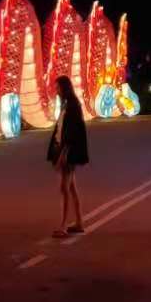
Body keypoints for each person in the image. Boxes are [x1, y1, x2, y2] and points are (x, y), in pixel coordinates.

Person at [49, 76, 89, 236]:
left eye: (57, 88)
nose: (56, 91)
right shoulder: (66, 104)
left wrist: (64, 153)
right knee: (71, 188)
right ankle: (79, 222)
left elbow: (73, 133)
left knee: (64, 188)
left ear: (64, 88)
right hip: (62, 149)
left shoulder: (72, 105)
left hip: (68, 152)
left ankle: (63, 226)